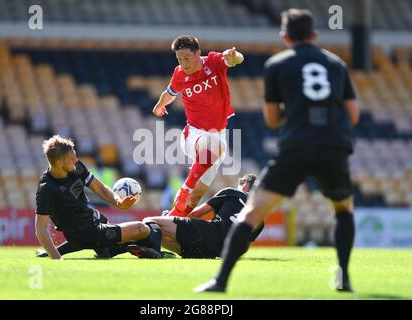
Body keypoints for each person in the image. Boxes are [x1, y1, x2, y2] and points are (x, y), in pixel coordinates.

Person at [195, 9, 359, 293]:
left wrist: (296, 113)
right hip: (333, 146)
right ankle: (344, 278)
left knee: (250, 214)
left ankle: (220, 282)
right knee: (343, 211)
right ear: (314, 35)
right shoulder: (336, 64)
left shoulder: (277, 65)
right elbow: (353, 115)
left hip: (295, 147)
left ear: (285, 37)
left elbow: (272, 119)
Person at [153, 35, 244, 217]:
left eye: (187, 58)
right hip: (193, 135)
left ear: (198, 54)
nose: (183, 63)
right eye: (179, 59)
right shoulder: (179, 73)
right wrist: (160, 105)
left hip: (216, 138)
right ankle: (185, 188)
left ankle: (171, 221)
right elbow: (170, 92)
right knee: (217, 146)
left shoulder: (213, 62)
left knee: (195, 199)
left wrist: (234, 56)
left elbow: (236, 59)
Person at [35, 135, 163, 260]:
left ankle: (108, 249)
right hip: (86, 233)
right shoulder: (47, 188)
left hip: (92, 220)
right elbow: (41, 228)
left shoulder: (76, 168)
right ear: (59, 163)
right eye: (72, 159)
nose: (76, 160)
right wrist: (56, 258)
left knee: (105, 228)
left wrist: (118, 202)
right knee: (143, 229)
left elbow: (99, 188)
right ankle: (151, 251)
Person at [143, 174, 264, 259]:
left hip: (210, 233)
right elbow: (243, 247)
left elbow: (194, 214)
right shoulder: (260, 217)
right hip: (217, 252)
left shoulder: (233, 193)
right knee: (162, 234)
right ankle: (156, 251)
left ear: (244, 186)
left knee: (150, 221)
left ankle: (153, 249)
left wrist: (168, 217)